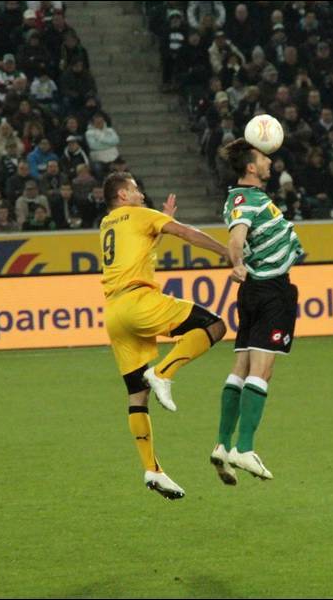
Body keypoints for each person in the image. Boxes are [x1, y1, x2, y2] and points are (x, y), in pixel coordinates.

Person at [100, 171, 230, 500]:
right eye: (134, 190)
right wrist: (224, 251)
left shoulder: (107, 224)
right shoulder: (140, 214)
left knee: (137, 394)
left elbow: (136, 251)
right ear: (122, 196)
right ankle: (163, 372)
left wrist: (159, 226)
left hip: (115, 313)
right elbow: (187, 233)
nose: (141, 194)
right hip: (139, 302)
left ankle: (152, 470)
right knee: (215, 326)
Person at [213, 139, 305, 484]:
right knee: (262, 370)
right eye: (264, 158)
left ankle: (223, 445)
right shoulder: (247, 200)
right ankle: (245, 448)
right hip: (270, 289)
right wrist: (236, 262)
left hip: (254, 290)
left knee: (241, 367)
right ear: (251, 167)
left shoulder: (240, 197)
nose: (269, 162)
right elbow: (237, 238)